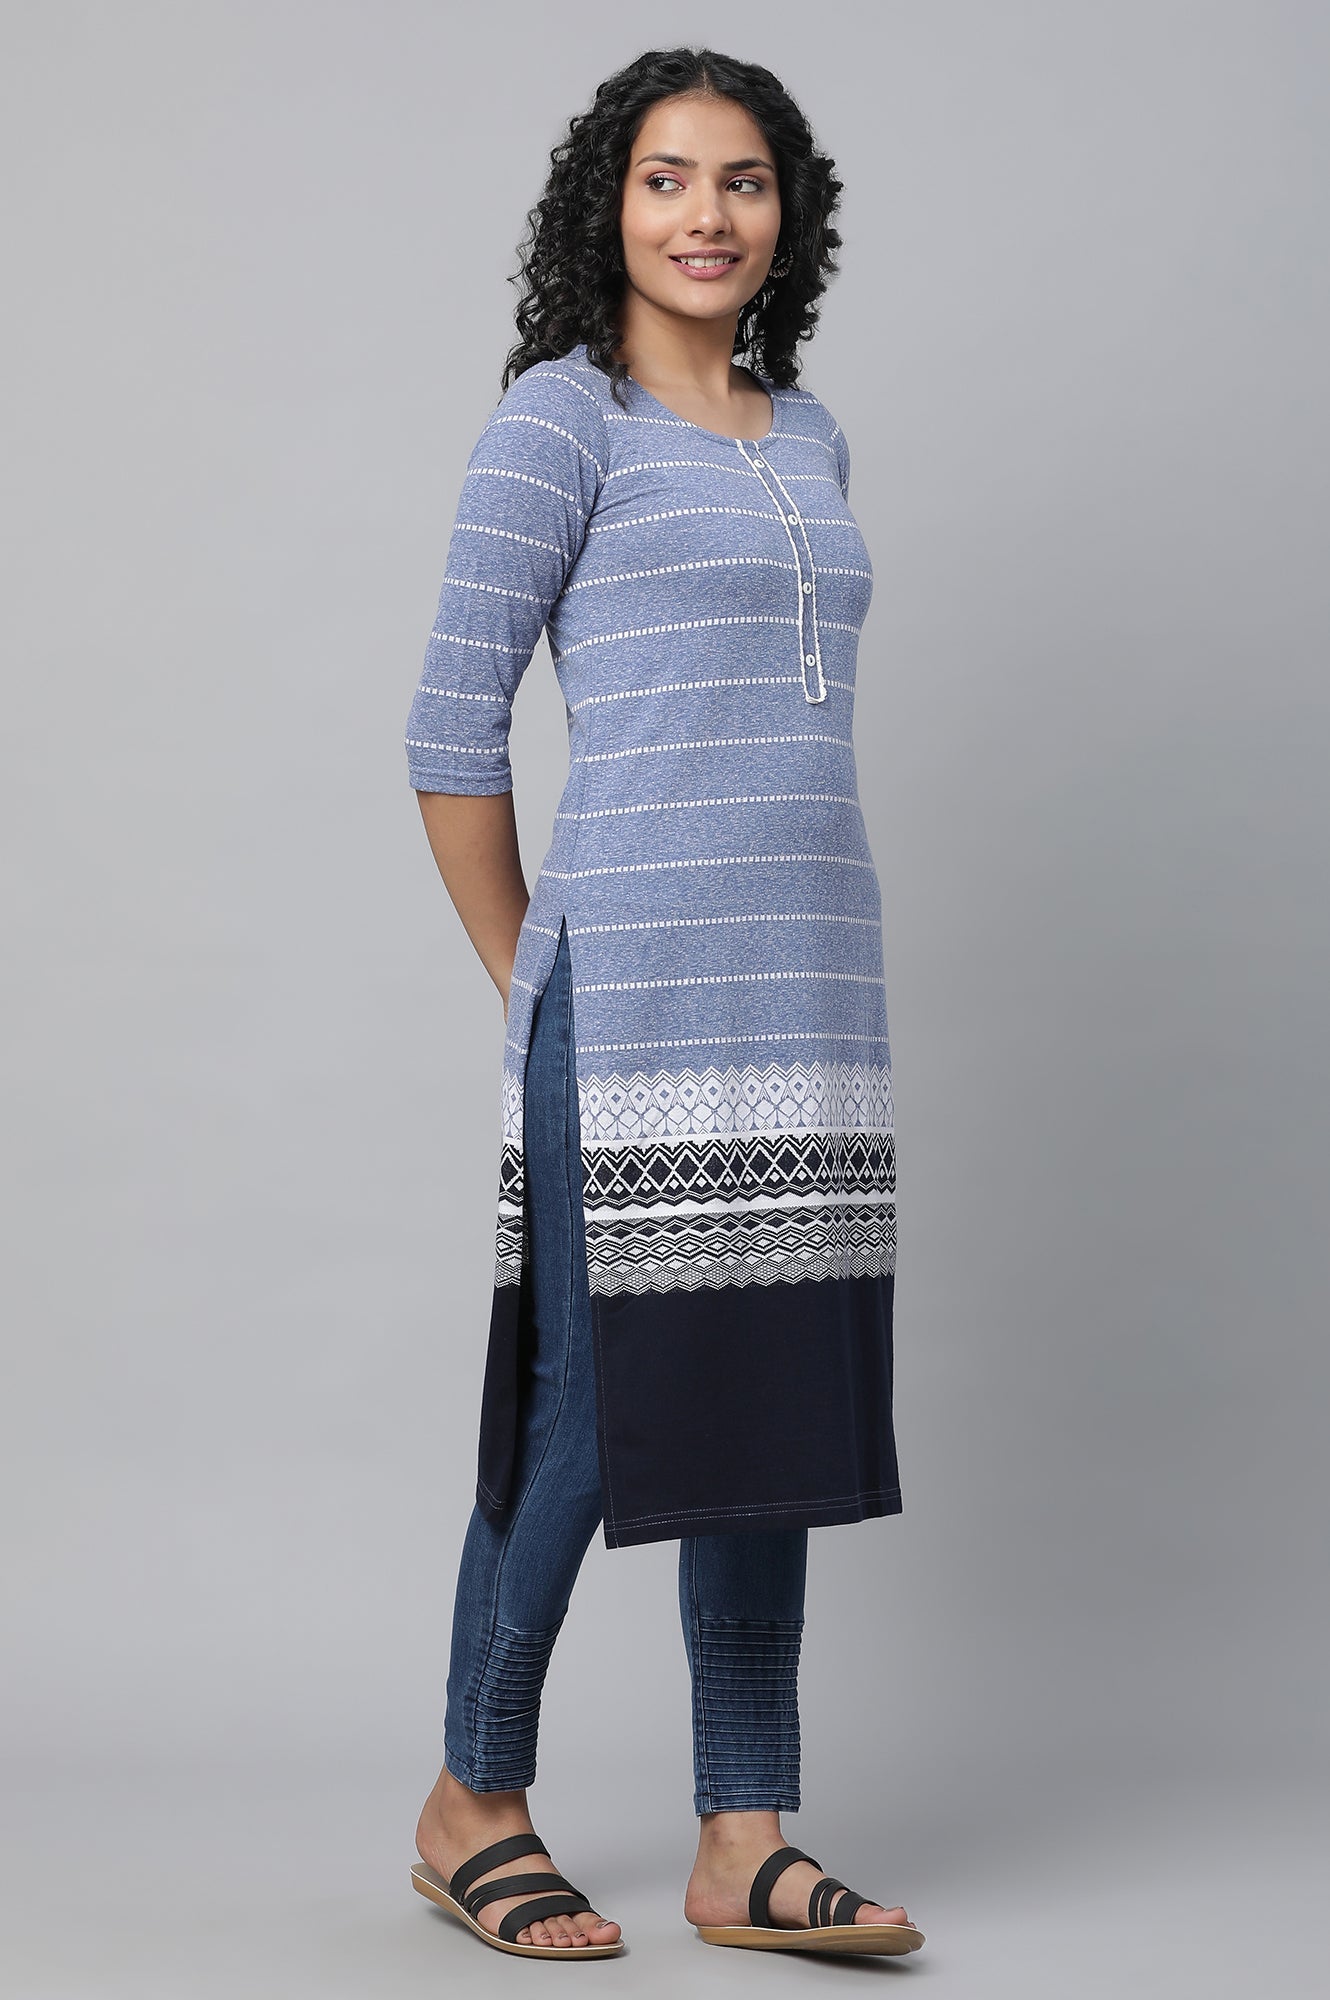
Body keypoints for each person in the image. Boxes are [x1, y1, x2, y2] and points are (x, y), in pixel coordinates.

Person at [403, 46, 923, 1962]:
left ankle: (743, 1836)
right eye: (666, 178)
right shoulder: (562, 422)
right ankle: (473, 1795)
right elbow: (446, 732)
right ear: (607, 207)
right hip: (630, 999)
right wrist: (534, 974)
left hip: (811, 997)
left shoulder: (812, 435)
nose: (707, 215)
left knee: (768, 1408)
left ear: (789, 214)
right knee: (591, 1412)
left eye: (744, 180)